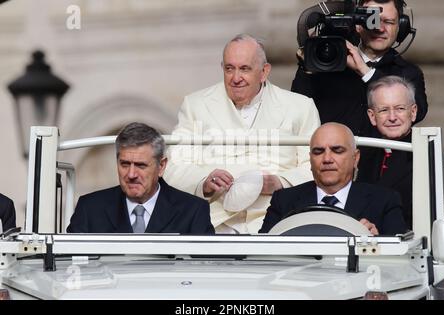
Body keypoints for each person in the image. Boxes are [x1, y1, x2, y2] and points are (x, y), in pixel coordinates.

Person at [164, 34, 321, 234]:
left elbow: (317, 165)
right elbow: (174, 168)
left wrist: (280, 183)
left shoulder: (300, 107)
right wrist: (204, 182)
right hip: (213, 222)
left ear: (264, 72)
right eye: (229, 69)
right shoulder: (195, 105)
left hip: (277, 220)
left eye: (245, 69)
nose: (236, 78)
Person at [291, 0, 427, 137]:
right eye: (371, 20)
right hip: (333, 156)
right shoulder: (327, 65)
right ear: (357, 25)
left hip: (385, 157)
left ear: (401, 27)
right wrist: (308, 65)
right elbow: (298, 109)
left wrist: (365, 72)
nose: (379, 28)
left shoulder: (409, 73)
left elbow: (418, 112)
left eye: (389, 22)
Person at [259, 122, 407, 235]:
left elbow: (400, 260)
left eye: (337, 150)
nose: (327, 159)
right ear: (310, 159)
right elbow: (261, 253)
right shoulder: (284, 200)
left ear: (355, 158)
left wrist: (378, 242)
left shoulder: (384, 200)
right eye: (318, 152)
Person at [67, 122, 214, 234]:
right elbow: (71, 267)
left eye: (140, 165)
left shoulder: (193, 211)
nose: (131, 174)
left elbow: (206, 269)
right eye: (124, 164)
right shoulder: (90, 209)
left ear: (161, 166)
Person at [357, 76, 416, 229]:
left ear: (413, 112)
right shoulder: (359, 156)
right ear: (372, 116)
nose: (392, 117)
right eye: (384, 110)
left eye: (400, 109)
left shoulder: (432, 157)